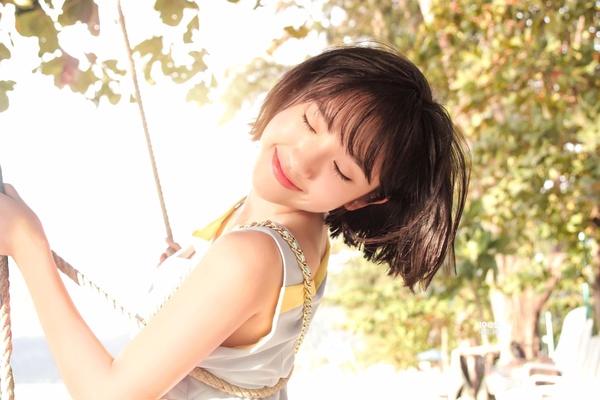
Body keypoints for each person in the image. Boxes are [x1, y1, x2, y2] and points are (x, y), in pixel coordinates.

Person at [0, 42, 470, 399]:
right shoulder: (299, 234)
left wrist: (27, 244)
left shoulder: (252, 254)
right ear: (295, 92)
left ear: (364, 199)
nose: (303, 159)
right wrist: (188, 275)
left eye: (341, 170)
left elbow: (107, 395)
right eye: (311, 122)